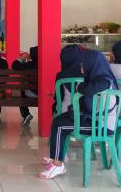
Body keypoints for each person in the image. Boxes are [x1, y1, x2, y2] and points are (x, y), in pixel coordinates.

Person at [39, 50, 118, 179]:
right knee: (59, 120)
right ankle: (56, 158)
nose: (81, 67)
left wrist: (80, 87)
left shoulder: (103, 81)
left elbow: (85, 90)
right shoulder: (98, 77)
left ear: (92, 64)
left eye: (83, 64)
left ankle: (58, 165)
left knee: (60, 126)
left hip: (102, 127)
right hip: (94, 119)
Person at [53, 45, 83, 114]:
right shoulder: (88, 73)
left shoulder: (61, 76)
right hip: (86, 112)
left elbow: (58, 98)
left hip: (65, 111)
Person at [12, 46, 38, 126]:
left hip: (32, 93)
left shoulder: (28, 65)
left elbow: (15, 65)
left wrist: (22, 58)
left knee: (22, 90)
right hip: (46, 93)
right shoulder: (46, 64)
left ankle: (26, 114)